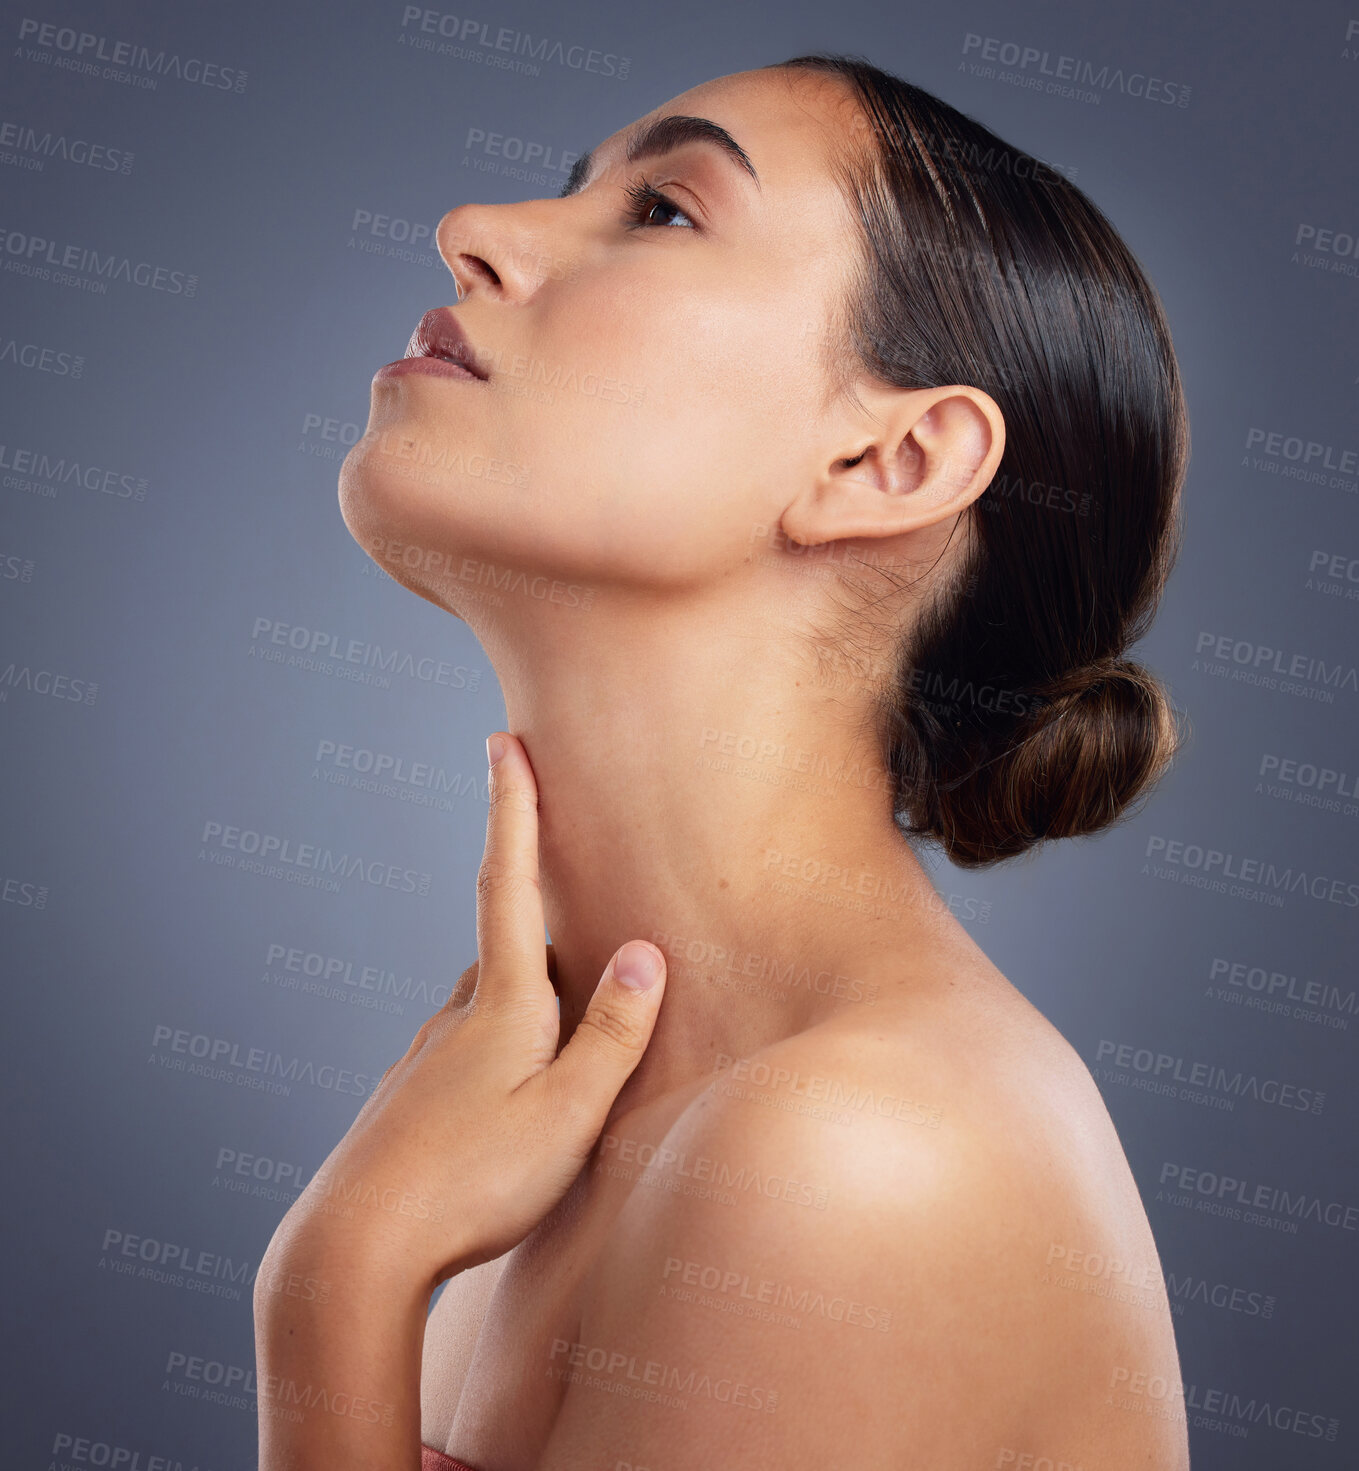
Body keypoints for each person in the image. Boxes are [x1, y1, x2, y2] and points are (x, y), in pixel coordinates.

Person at [254, 52, 1192, 1471]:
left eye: (665, 212)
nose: (473, 227)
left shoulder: (860, 1159)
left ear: (888, 461)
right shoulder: (539, 1174)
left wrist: (334, 1287)